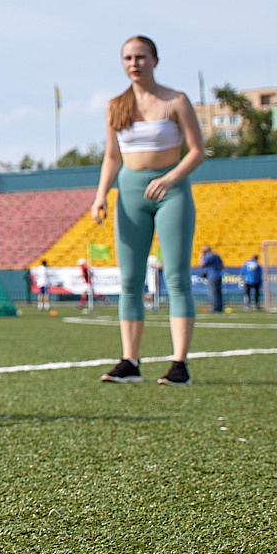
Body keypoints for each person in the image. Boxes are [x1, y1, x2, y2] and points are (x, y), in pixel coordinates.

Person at [91, 36, 204, 387]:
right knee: (129, 280)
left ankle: (179, 365)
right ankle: (130, 361)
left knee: (176, 277)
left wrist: (170, 179)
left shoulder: (176, 101)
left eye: (141, 56)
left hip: (171, 192)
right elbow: (111, 157)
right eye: (127, 57)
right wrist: (100, 197)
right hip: (130, 193)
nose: (134, 63)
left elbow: (198, 150)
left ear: (155, 60)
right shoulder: (115, 106)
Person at [199, 244, 225, 315]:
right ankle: (220, 307)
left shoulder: (207, 256)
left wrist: (201, 256)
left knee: (213, 292)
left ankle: (215, 307)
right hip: (218, 275)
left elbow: (201, 264)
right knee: (219, 292)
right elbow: (222, 266)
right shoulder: (217, 255)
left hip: (211, 275)